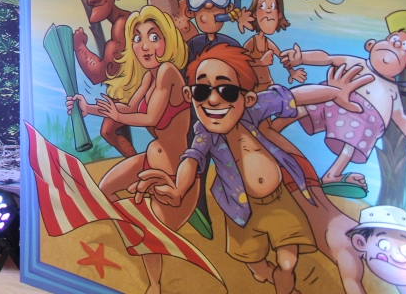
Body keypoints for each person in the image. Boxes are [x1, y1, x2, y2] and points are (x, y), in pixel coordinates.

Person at [135, 44, 372, 294]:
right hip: (241, 212)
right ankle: (265, 273)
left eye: (227, 91)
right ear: (189, 94)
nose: (213, 100)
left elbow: (295, 96)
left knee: (287, 263)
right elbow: (192, 159)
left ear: (246, 98)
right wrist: (178, 190)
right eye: (202, 91)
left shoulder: (255, 108)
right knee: (256, 265)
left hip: (279, 202)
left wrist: (335, 93)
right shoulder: (205, 133)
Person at [67, 6, 195, 294]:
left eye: (153, 37)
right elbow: (127, 108)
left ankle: (154, 284)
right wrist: (88, 108)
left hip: (174, 169)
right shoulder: (150, 75)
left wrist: (117, 115)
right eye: (138, 39)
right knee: (105, 190)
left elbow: (150, 117)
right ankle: (133, 235)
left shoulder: (167, 72)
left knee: (152, 230)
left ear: (168, 40)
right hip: (151, 158)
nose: (145, 46)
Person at [280, 10, 406, 194]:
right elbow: (327, 58)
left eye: (403, 46)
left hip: (364, 121)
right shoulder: (358, 63)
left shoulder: (393, 91)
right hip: (336, 99)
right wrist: (302, 58)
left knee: (353, 138)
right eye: (393, 40)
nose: (395, 46)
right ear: (371, 45)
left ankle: (332, 175)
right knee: (312, 103)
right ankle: (275, 125)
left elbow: (402, 120)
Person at [71, 0, 136, 156]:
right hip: (133, 89)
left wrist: (79, 46)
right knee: (107, 130)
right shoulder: (121, 22)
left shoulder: (122, 25)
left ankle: (141, 166)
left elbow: (99, 74)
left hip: (142, 91)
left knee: (108, 130)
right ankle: (140, 165)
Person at [184, 0, 254, 66]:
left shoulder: (232, 45)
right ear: (191, 12)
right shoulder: (193, 45)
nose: (208, 5)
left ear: (229, 8)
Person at [243, 0, 305, 92]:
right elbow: (242, 62)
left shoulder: (268, 43)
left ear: (279, 15)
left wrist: (292, 72)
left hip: (268, 85)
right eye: (262, 6)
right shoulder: (251, 43)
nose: (268, 11)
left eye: (272, 6)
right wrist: (260, 62)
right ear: (255, 14)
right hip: (252, 88)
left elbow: (282, 58)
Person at [348, 205, 406, 294]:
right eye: (384, 246)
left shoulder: (403, 271)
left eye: (405, 250)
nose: (399, 258)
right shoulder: (349, 257)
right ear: (360, 243)